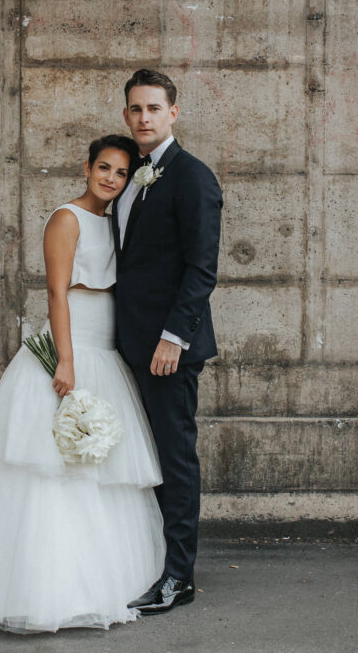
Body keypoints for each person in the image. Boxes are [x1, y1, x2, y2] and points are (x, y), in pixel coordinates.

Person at [0, 135, 165, 633]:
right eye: (104, 168)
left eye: (121, 172)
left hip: (105, 351)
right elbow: (56, 291)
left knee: (97, 466)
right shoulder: (66, 218)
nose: (111, 179)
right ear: (86, 167)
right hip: (73, 348)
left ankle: (100, 581)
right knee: (51, 467)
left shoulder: (116, 219)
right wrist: (65, 361)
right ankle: (35, 589)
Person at [113, 69, 223, 614]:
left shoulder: (192, 177)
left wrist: (172, 338)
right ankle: (149, 562)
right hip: (127, 344)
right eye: (135, 109)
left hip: (167, 351)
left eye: (154, 108)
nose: (144, 118)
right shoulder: (130, 175)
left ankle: (179, 577)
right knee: (143, 458)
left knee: (174, 460)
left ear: (173, 113)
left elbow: (202, 269)